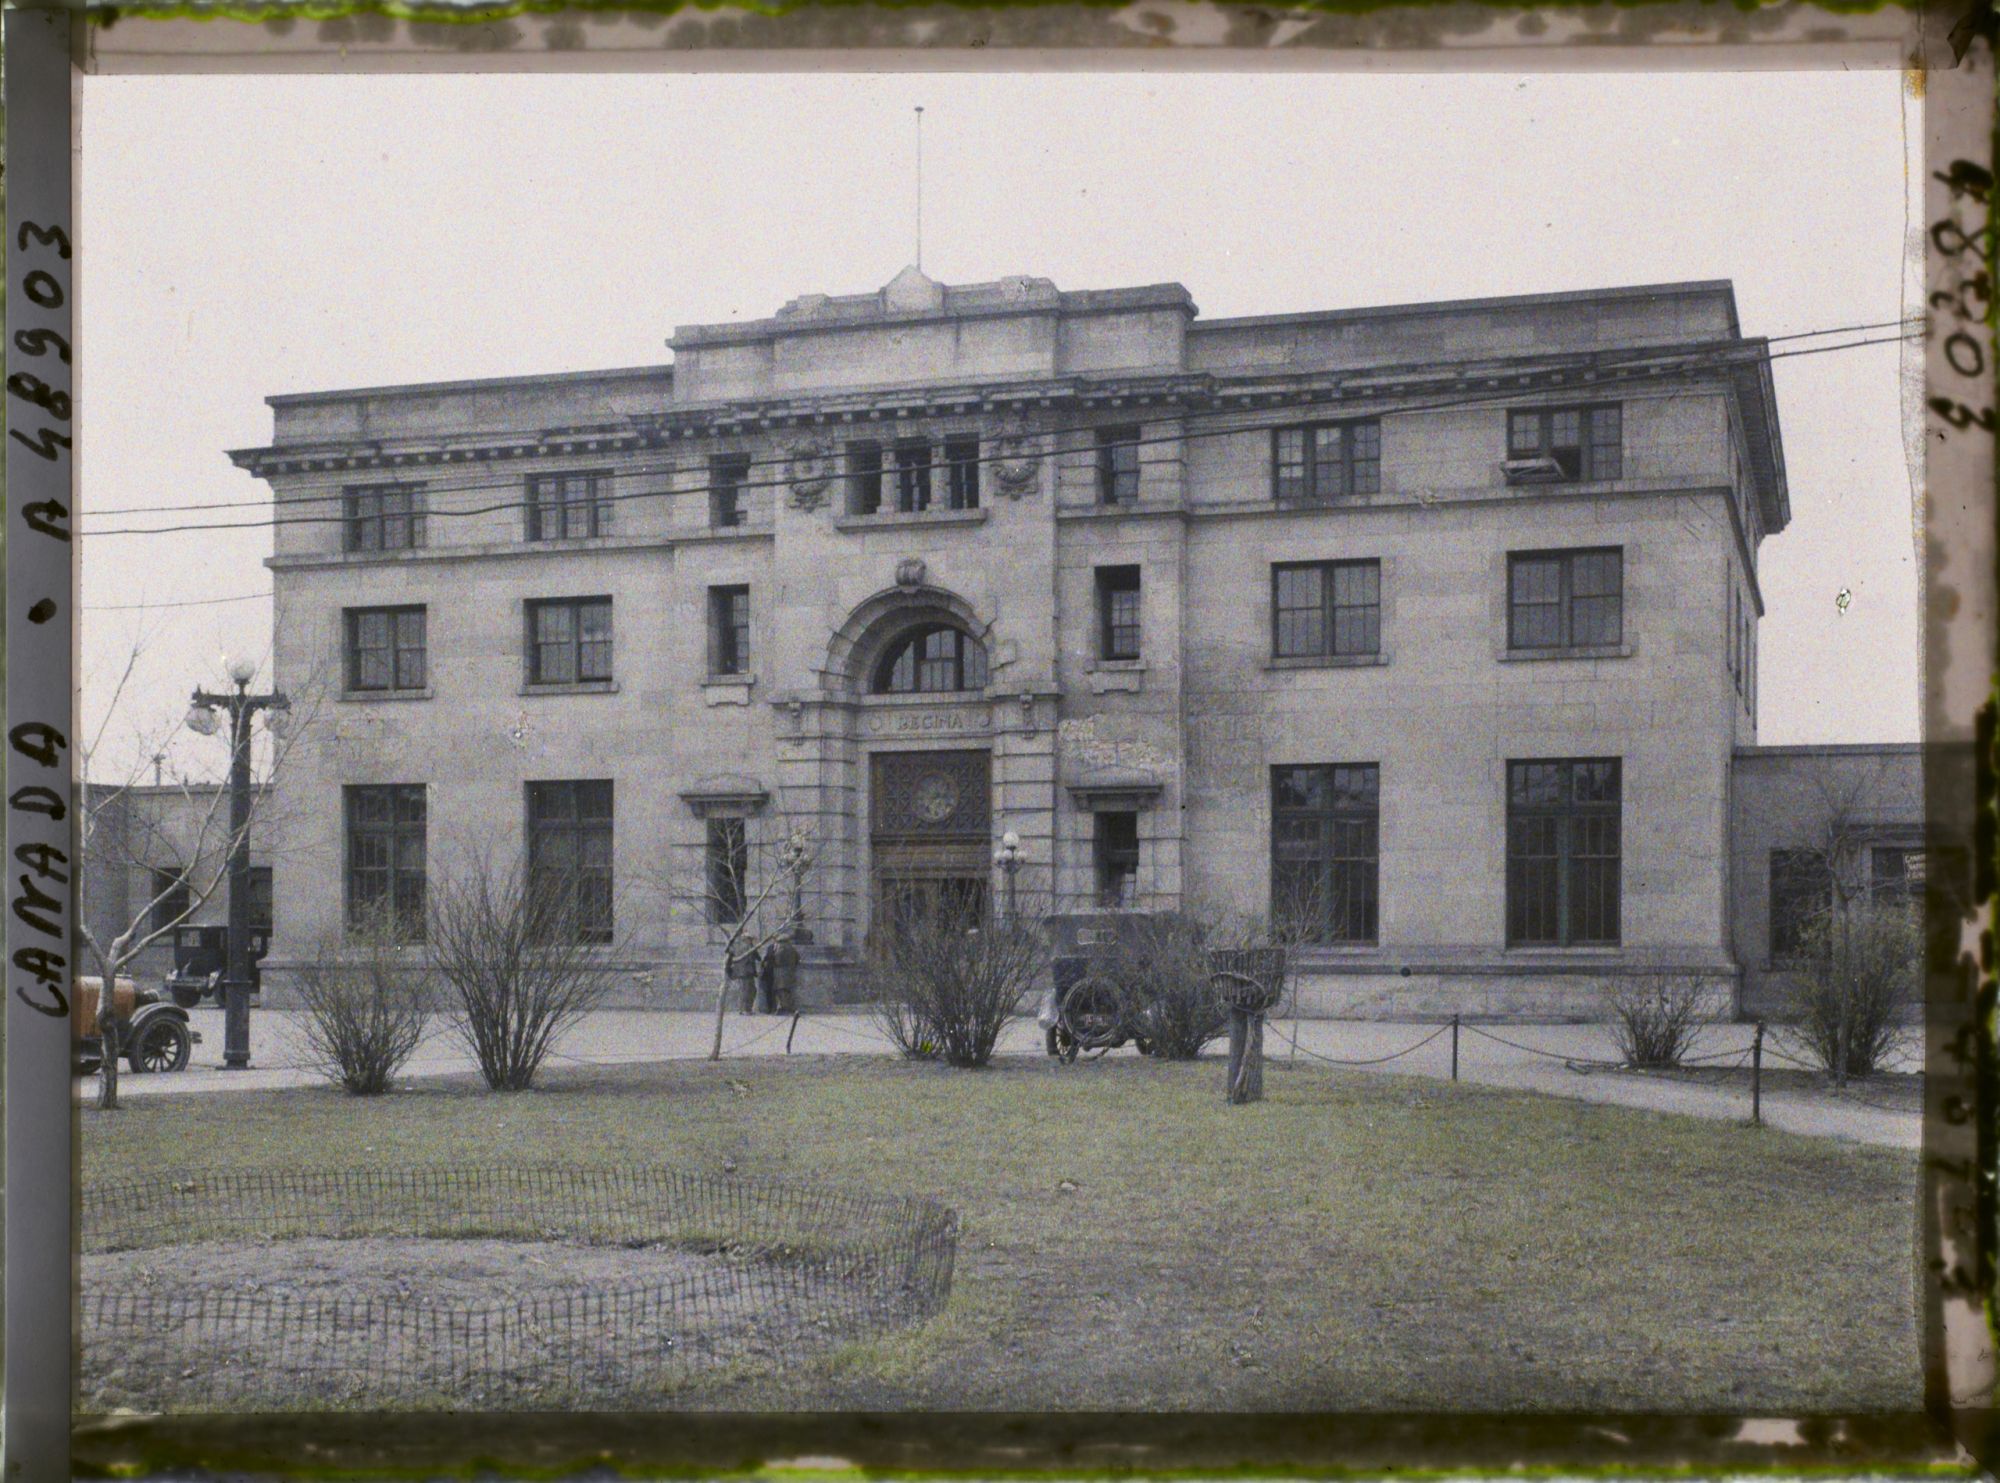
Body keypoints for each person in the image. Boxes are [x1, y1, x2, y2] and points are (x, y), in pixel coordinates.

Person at [769, 931, 801, 1016]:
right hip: (790, 972)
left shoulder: (781, 949)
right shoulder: (792, 949)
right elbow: (798, 958)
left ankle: (784, 1008)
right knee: (788, 991)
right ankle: (789, 1008)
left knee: (781, 991)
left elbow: (777, 960)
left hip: (781, 972)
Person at [729, 946, 759, 1014]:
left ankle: (744, 1008)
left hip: (748, 974)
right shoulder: (744, 949)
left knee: (751, 991)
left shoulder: (750, 948)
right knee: (747, 991)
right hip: (745, 974)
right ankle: (746, 1009)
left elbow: (757, 958)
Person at [755, 945, 777, 1015]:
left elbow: (763, 968)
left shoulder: (766, 959)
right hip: (771, 977)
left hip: (766, 978)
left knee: (768, 994)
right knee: (771, 993)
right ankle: (771, 1009)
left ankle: (769, 1009)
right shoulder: (772, 959)